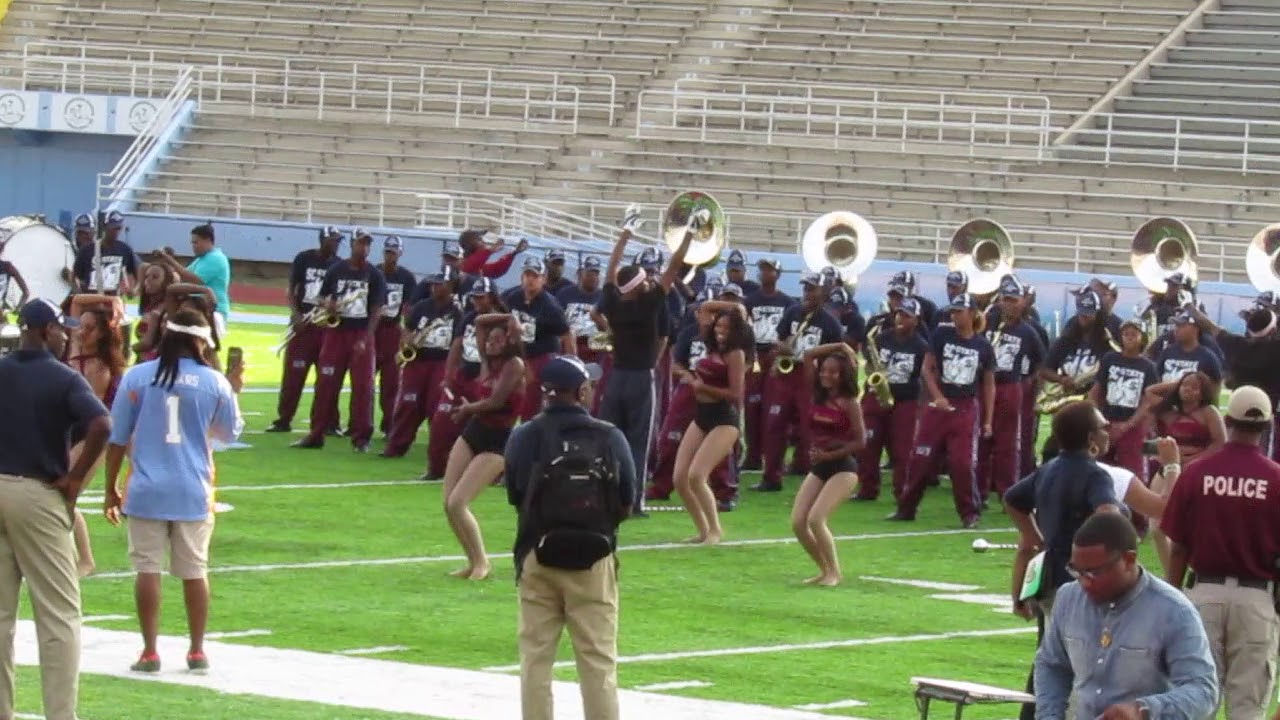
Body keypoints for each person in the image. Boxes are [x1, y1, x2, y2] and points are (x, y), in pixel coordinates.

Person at [102, 309, 243, 674]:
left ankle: (150, 651)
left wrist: (110, 489)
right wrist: (233, 388)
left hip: (146, 487)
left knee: (147, 568)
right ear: (199, 340)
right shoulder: (214, 382)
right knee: (195, 570)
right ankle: (197, 650)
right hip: (193, 488)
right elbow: (229, 433)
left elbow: (116, 439)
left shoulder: (137, 377)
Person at [503, 355, 635, 720]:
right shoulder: (609, 436)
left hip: (537, 551)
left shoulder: (524, 434)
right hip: (595, 557)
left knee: (535, 658)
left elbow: (515, 493)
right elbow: (627, 497)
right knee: (598, 661)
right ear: (580, 391)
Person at [0, 298, 112, 720]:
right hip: (36, 492)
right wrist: (76, 478)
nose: (68, 335)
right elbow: (102, 424)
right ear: (46, 330)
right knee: (59, 615)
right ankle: (61, 715)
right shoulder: (63, 377)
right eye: (62, 329)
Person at [1160, 386, 1280, 720]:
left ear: (1227, 421)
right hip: (1257, 600)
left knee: (1196, 703)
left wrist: (1172, 597)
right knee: (1247, 709)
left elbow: (1179, 545)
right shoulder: (1277, 479)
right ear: (1267, 426)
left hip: (1203, 595)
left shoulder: (1197, 472)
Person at [1034, 512, 1219, 720]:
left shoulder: (1174, 611)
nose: (1084, 583)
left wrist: (1144, 710)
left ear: (1129, 559)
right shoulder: (1068, 598)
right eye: (1077, 572)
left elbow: (1203, 691)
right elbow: (1051, 664)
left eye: (1094, 573)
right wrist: (1049, 716)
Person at [1003, 401, 1122, 720]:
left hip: (1048, 577)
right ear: (1089, 437)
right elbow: (1107, 514)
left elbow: (1013, 499)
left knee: (1047, 657)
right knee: (1075, 663)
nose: (1107, 429)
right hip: (1077, 583)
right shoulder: (1096, 475)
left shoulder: (1050, 468)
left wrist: (1031, 534)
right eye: (1101, 425)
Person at [597, 207, 691, 514]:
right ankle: (633, 500)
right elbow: (673, 267)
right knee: (638, 441)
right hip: (641, 378)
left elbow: (611, 269)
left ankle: (606, 495)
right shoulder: (648, 304)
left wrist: (626, 233)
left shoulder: (613, 303)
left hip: (616, 378)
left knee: (611, 437)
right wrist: (689, 234)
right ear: (638, 285)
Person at [893, 293, 995, 527]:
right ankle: (906, 507)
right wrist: (937, 396)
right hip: (938, 407)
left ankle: (969, 513)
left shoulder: (983, 346)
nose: (954, 315)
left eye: (959, 311)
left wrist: (987, 420)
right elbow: (927, 369)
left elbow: (989, 385)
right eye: (953, 311)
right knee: (921, 457)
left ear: (971, 313)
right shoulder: (941, 335)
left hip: (965, 407)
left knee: (962, 463)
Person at [441, 313, 526, 580]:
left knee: (458, 502)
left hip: (498, 441)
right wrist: (509, 316)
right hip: (474, 432)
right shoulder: (488, 361)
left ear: (510, 341)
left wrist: (467, 409)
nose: (490, 343)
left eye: (498, 339)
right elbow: (479, 322)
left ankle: (482, 563)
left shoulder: (515, 365)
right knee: (447, 503)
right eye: (489, 340)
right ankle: (472, 561)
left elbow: (497, 401)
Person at [292, 230, 387, 452]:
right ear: (352, 244)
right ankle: (316, 433)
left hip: (360, 332)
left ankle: (361, 437)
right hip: (336, 332)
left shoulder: (374, 274)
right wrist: (328, 304)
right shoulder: (337, 269)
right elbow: (323, 296)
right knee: (326, 383)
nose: (363, 248)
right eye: (360, 243)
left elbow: (376, 309)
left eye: (367, 244)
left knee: (363, 387)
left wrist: (367, 336)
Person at [672, 301, 753, 544]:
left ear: (736, 330)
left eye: (726, 328)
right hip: (702, 415)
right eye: (718, 326)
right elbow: (706, 308)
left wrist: (702, 386)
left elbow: (736, 394)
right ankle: (702, 530)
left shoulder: (735, 354)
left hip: (724, 418)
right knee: (680, 478)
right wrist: (732, 305)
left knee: (697, 475)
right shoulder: (712, 346)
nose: (720, 331)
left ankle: (715, 530)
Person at [758, 272, 844, 491]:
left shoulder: (830, 323)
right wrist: (782, 350)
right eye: (805, 288)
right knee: (774, 425)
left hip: (812, 378)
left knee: (811, 429)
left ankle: (813, 475)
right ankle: (771, 477)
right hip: (788, 374)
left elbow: (837, 356)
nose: (807, 292)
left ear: (823, 292)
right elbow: (778, 338)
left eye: (812, 288)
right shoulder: (793, 312)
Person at [792, 343, 865, 586]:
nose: (826, 375)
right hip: (820, 465)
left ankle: (834, 572)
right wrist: (841, 346)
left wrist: (830, 455)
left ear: (843, 375)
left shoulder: (849, 403)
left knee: (816, 519)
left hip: (843, 468)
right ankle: (823, 569)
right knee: (798, 522)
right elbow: (809, 355)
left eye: (833, 372)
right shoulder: (817, 392)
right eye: (824, 370)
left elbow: (860, 441)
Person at [422, 278, 501, 481]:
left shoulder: (501, 322)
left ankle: (489, 472)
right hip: (464, 375)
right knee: (441, 420)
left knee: (484, 427)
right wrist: (448, 376)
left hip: (486, 379)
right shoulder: (468, 318)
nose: (476, 301)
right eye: (475, 297)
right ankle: (435, 467)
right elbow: (456, 348)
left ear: (491, 297)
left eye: (481, 297)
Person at [267, 226, 342, 433]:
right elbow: (292, 288)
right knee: (294, 374)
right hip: (303, 325)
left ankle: (329, 421)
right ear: (323, 240)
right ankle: (284, 418)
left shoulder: (339, 265)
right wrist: (295, 314)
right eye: (333, 240)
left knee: (328, 377)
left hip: (326, 327)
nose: (336, 244)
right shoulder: (304, 258)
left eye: (338, 240)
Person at [978, 275, 1046, 503]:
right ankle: (979, 489)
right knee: (980, 438)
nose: (1008, 304)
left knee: (1007, 444)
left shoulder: (1028, 331)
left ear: (1021, 302)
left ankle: (1006, 493)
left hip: (1009, 386)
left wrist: (1028, 382)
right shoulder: (986, 323)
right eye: (1005, 299)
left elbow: (1041, 362)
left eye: (1013, 299)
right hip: (984, 385)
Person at [381, 266, 461, 459]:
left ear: (450, 286)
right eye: (434, 284)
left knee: (436, 406)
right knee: (407, 403)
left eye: (440, 284)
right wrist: (407, 342)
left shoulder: (457, 313)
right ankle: (396, 446)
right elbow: (407, 328)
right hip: (417, 359)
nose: (435, 287)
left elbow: (459, 342)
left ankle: (439, 451)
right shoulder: (422, 306)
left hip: (441, 361)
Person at [855, 298, 928, 503]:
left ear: (916, 320)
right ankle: (867, 488)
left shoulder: (921, 346)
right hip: (877, 396)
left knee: (902, 451)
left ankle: (901, 492)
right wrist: (874, 375)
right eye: (899, 314)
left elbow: (923, 377)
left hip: (905, 401)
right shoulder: (881, 338)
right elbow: (869, 365)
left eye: (906, 315)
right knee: (868, 443)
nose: (900, 318)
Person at [1089, 319, 1159, 481]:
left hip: (1133, 425)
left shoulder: (1148, 366)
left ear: (1142, 338)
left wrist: (1129, 424)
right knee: (1099, 466)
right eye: (1125, 334)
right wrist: (1099, 418)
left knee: (1133, 471)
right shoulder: (1110, 359)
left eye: (1133, 334)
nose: (1129, 338)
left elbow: (1147, 401)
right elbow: (1096, 390)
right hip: (1108, 421)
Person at [506, 257, 575, 421]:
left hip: (541, 356)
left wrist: (571, 363)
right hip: (517, 355)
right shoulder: (512, 298)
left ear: (543, 279)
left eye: (535, 276)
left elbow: (567, 335)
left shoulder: (550, 305)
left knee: (531, 406)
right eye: (527, 275)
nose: (530, 280)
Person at [742, 257, 794, 470]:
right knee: (752, 407)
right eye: (762, 269)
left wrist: (782, 351)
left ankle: (774, 459)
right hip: (755, 356)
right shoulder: (749, 300)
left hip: (775, 357)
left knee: (774, 410)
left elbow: (792, 332)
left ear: (778, 274)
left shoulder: (788, 302)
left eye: (769, 270)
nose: (764, 273)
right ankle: (753, 456)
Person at [373, 234, 417, 437]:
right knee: (364, 381)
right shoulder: (374, 271)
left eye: (393, 251)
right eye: (387, 251)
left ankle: (389, 424)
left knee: (390, 383)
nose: (390, 255)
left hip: (392, 329)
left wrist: (406, 332)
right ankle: (359, 423)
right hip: (372, 329)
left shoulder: (406, 277)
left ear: (400, 253)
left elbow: (409, 307)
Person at [150, 223, 231, 334]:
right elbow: (179, 277)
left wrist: (169, 260)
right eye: (192, 243)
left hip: (212, 312)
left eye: (195, 242)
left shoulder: (215, 258)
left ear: (207, 240)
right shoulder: (202, 259)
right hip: (196, 307)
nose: (193, 246)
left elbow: (194, 280)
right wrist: (164, 265)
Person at [72, 210, 139, 296]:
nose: (115, 232)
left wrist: (134, 289)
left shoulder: (125, 249)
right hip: (90, 299)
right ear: (104, 227)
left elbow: (139, 271)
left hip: (114, 299)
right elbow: (74, 277)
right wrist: (80, 294)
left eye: (118, 228)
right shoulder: (86, 250)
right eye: (112, 228)